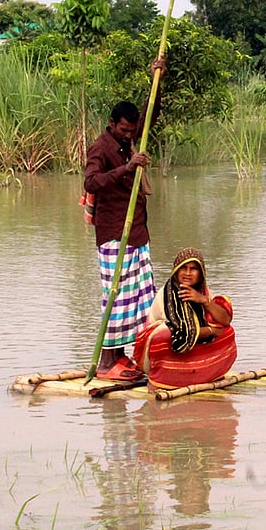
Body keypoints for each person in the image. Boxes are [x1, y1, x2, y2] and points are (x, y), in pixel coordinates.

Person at [83, 57, 165, 381]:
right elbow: (91, 183)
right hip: (113, 234)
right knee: (116, 298)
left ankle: (123, 357)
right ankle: (106, 363)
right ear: (112, 124)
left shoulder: (130, 141)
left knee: (138, 300)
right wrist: (126, 169)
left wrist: (156, 79)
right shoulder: (100, 148)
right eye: (124, 130)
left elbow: (150, 117)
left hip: (136, 234)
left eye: (132, 131)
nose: (129, 135)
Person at [133, 247, 236, 390]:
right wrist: (212, 331)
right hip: (171, 346)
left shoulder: (202, 290)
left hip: (193, 341)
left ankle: (205, 373)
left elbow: (225, 321)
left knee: (228, 332)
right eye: (183, 268)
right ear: (176, 271)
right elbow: (183, 333)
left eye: (193, 269)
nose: (188, 273)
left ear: (201, 273)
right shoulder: (170, 294)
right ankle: (164, 379)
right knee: (163, 335)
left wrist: (204, 300)